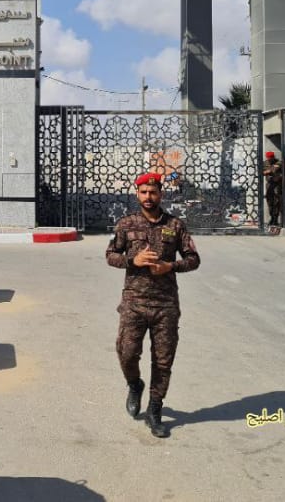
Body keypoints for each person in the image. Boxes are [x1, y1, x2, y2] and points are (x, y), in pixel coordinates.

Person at [105, 172, 200, 438]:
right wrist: (132, 262)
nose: (149, 197)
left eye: (153, 192)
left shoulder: (175, 225)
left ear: (161, 194)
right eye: (144, 192)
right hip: (134, 302)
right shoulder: (126, 224)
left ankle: (155, 409)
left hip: (165, 305)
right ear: (137, 193)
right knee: (126, 352)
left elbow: (193, 259)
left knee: (163, 361)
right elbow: (110, 255)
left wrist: (171, 266)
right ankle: (135, 385)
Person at [263, 151, 283, 230]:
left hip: (277, 184)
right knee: (269, 201)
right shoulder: (265, 163)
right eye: (268, 158)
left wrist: (268, 171)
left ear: (273, 157)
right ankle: (272, 217)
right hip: (269, 184)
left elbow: (274, 169)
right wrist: (268, 171)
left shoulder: (279, 162)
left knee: (276, 201)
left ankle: (276, 218)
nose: (269, 159)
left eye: (271, 158)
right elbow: (262, 172)